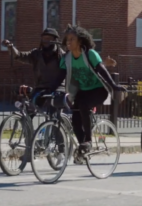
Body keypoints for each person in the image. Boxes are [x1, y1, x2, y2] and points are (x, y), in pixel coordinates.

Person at [44, 25, 126, 161]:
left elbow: (102, 70)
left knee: (83, 105)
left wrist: (114, 85)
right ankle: (83, 149)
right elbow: (60, 76)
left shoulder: (89, 54)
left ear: (80, 41)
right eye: (67, 40)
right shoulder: (67, 58)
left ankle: (88, 140)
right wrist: (49, 90)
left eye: (72, 39)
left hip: (99, 90)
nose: (68, 42)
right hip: (83, 91)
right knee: (75, 119)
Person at [2, 28, 65, 115]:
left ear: (55, 40)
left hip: (57, 88)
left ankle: (54, 125)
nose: (46, 41)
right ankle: (26, 128)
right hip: (41, 87)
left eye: (49, 38)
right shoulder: (36, 53)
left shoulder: (62, 55)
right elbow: (20, 55)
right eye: (44, 38)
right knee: (29, 112)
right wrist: (11, 47)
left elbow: (66, 73)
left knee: (53, 114)